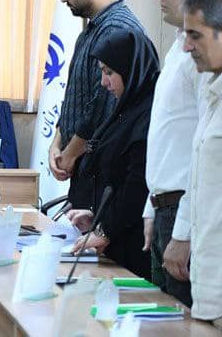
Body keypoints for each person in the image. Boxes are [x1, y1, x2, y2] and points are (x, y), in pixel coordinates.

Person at [142, 0, 222, 306]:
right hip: (166, 209)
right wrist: (151, 206)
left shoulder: (209, 52)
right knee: (165, 320)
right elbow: (169, 138)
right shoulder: (180, 46)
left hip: (185, 213)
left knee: (186, 323)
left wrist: (184, 232)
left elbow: (207, 150)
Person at [163, 0, 222, 333]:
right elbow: (201, 180)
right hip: (211, 292)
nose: (186, 46)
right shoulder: (216, 87)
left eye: (195, 36)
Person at [46, 0, 145, 209]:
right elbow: (74, 97)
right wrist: (57, 144)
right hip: (83, 165)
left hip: (100, 169)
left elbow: (102, 105)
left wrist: (69, 154)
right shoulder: (92, 30)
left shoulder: (116, 29)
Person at [66, 28, 159, 279]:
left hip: (135, 249)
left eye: (109, 72)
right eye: (102, 72)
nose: (103, 82)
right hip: (116, 241)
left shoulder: (148, 114)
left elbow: (137, 186)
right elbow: (114, 180)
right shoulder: (125, 110)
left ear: (132, 70)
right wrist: (97, 217)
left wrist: (105, 230)